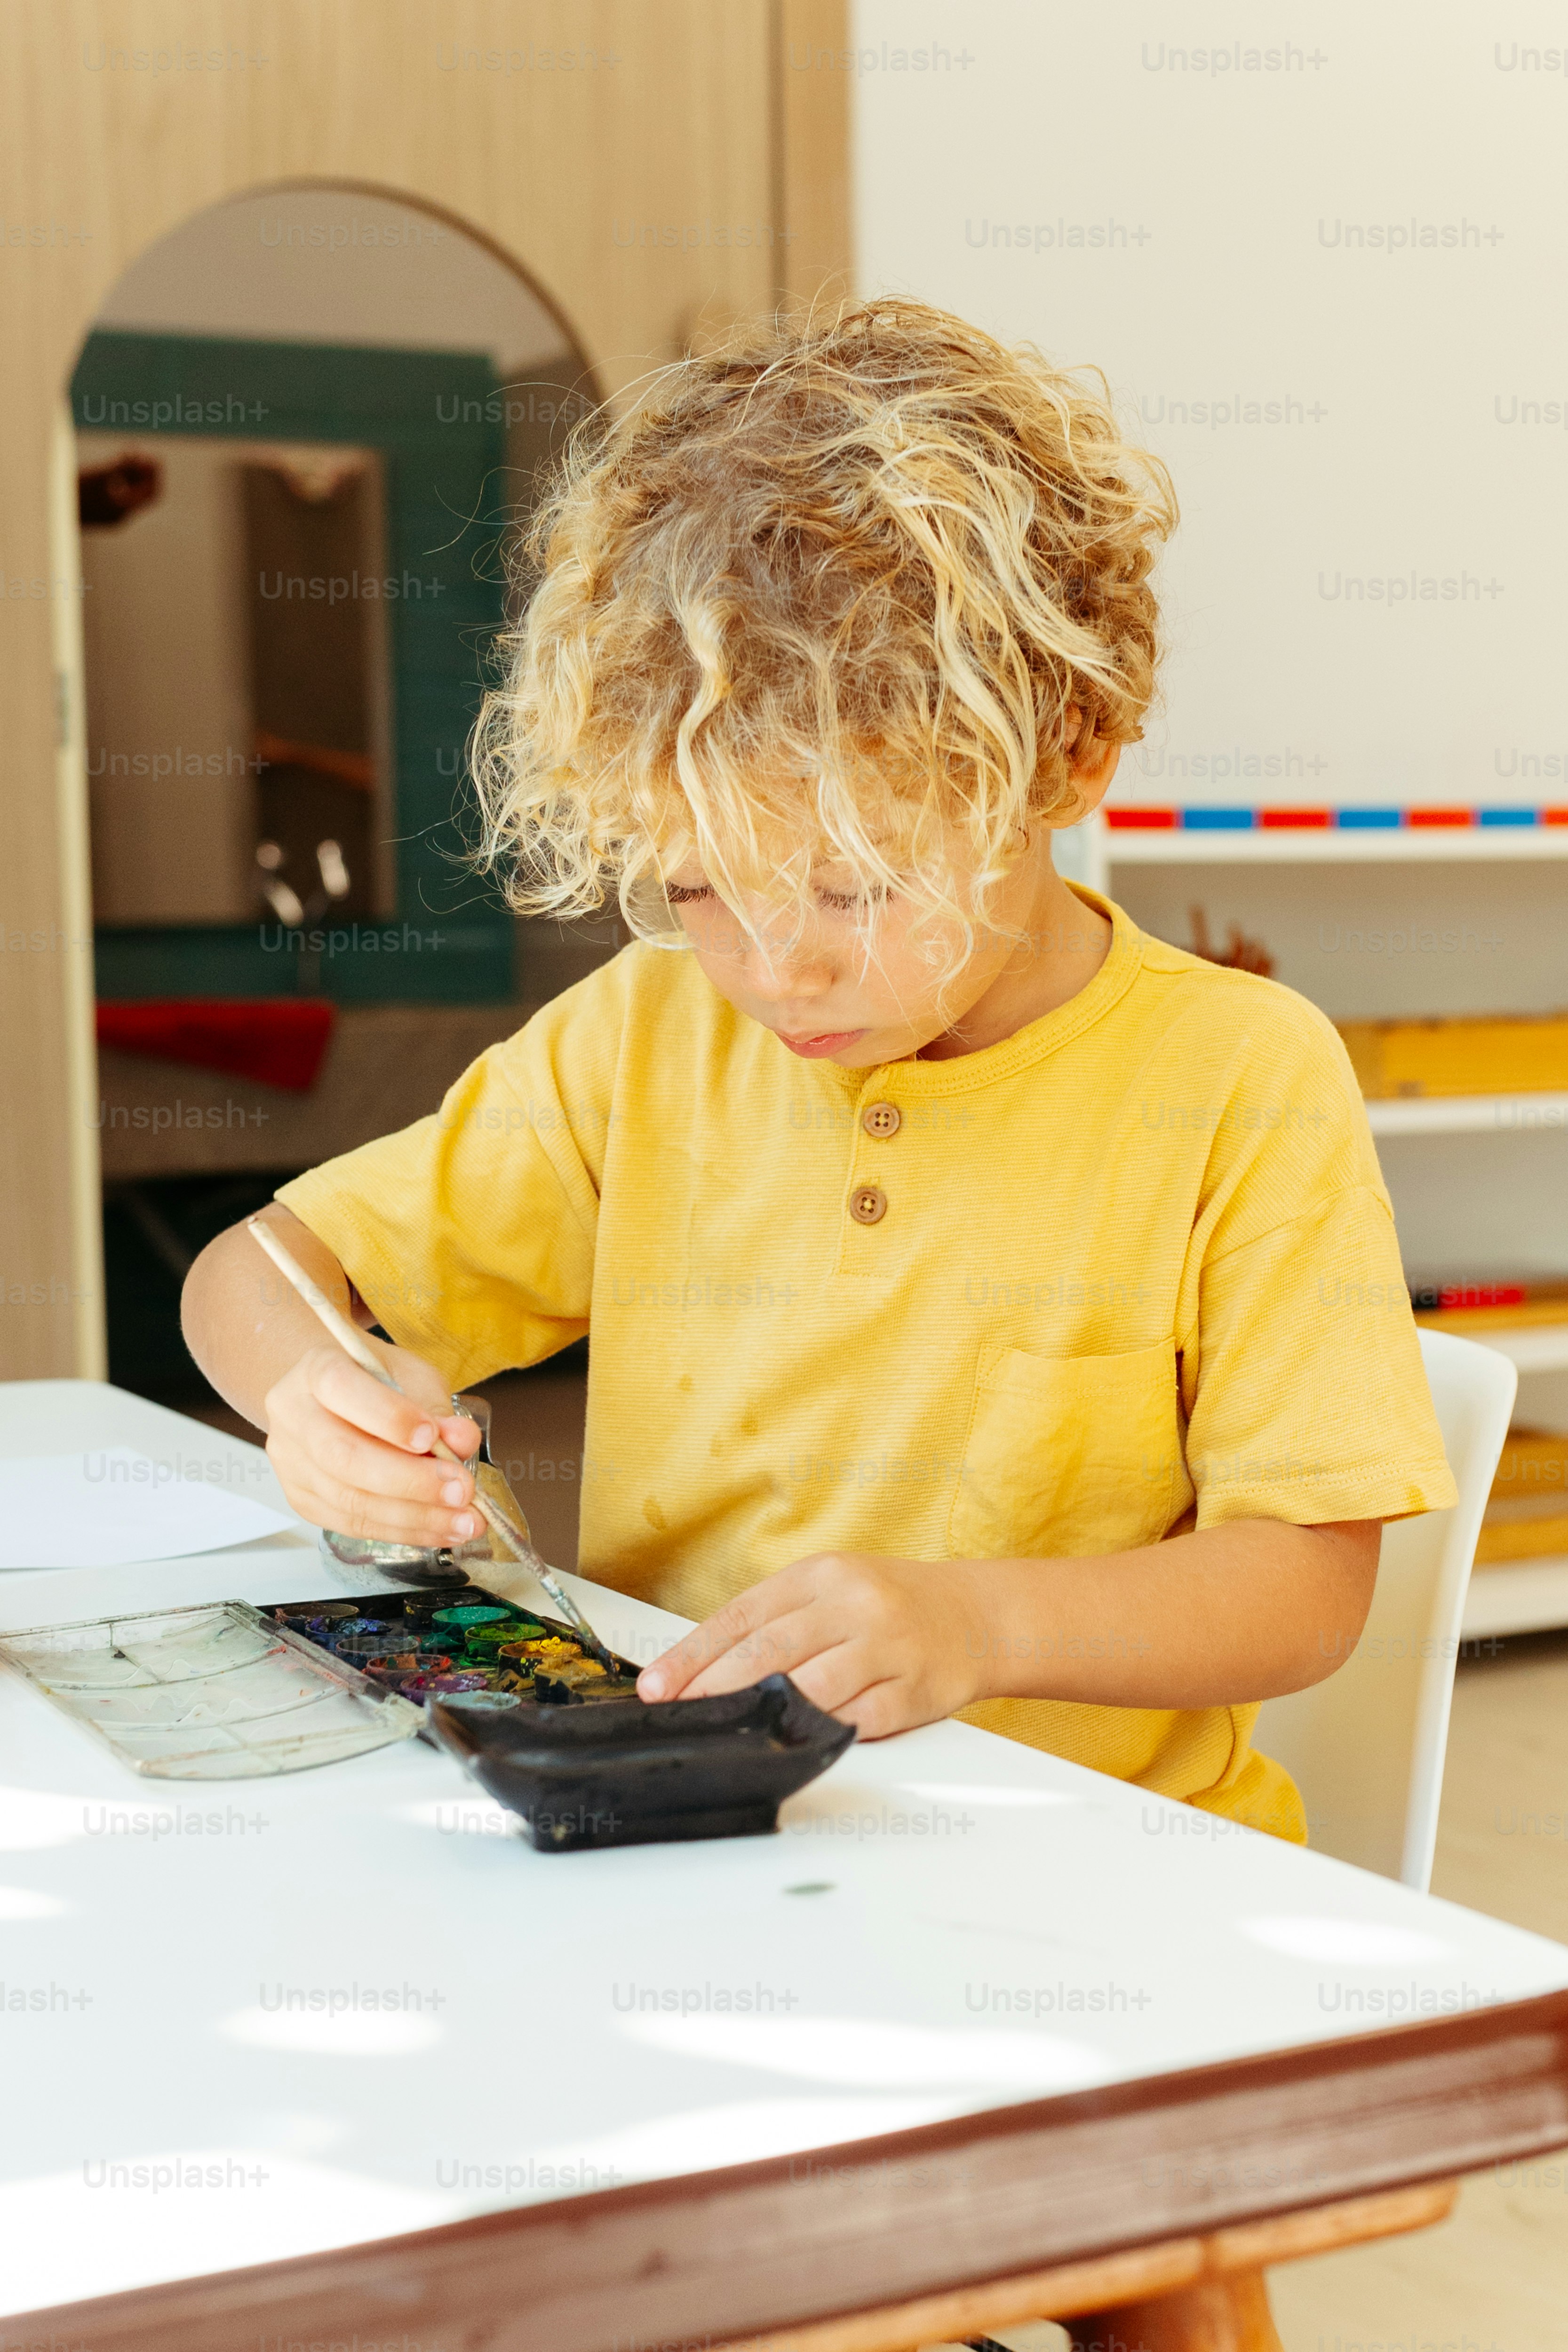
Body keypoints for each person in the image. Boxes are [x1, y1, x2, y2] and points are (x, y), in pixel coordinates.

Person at [182, 301, 1454, 1841]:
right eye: (703, 891)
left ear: (1067, 755)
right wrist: (311, 1394)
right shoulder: (648, 1038)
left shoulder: (1240, 1077)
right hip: (702, 1827)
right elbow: (254, 1270)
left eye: (854, 889)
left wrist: (984, 1629)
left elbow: (1306, 1589)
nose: (776, 971)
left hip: (1092, 1868)